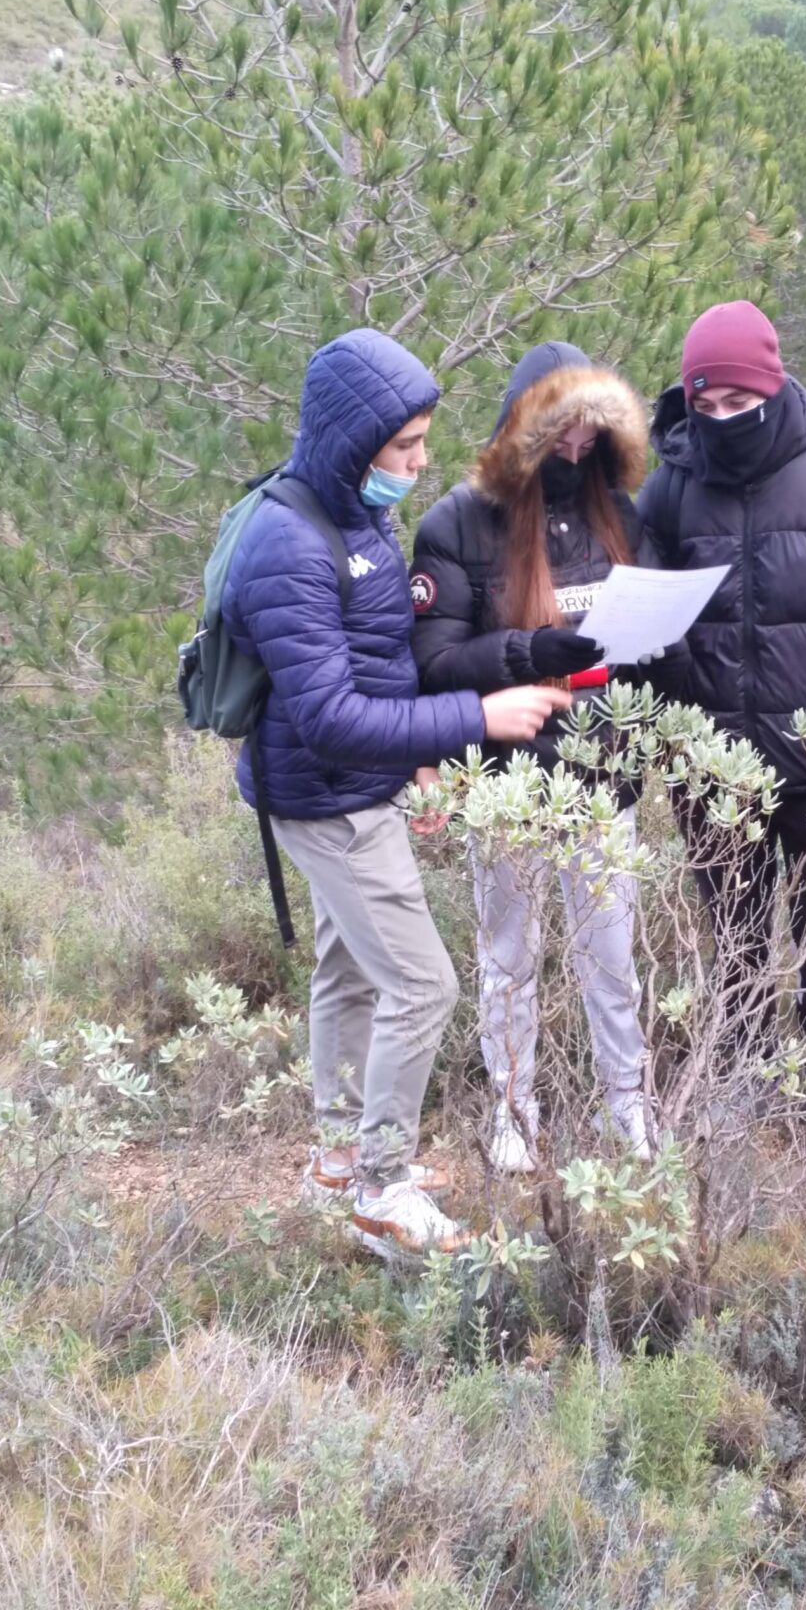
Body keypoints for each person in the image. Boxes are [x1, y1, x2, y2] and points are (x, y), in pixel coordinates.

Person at [224, 328, 572, 1258]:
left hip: (357, 784)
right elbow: (331, 717)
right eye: (405, 446)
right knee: (423, 985)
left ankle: (339, 1159)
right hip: (326, 796)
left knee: (347, 969)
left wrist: (418, 760)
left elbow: (378, 659)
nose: (420, 463)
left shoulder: (352, 512)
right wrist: (475, 719)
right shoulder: (291, 543)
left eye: (422, 442)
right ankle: (383, 1185)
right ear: (355, 442)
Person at [636, 299, 806, 1148]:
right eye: (707, 403)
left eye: (740, 402)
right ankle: (742, 1075)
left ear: (775, 385)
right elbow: (650, 623)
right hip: (716, 770)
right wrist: (682, 740)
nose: (722, 419)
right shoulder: (669, 487)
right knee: (737, 935)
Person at [411, 342, 662, 1173]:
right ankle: (513, 1113)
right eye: (563, 432)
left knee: (612, 960)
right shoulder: (459, 523)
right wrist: (525, 651)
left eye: (592, 434)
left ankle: (628, 1108)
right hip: (509, 782)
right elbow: (436, 662)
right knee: (509, 959)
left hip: (604, 779)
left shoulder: (618, 514)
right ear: (526, 428)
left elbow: (644, 639)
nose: (578, 448)